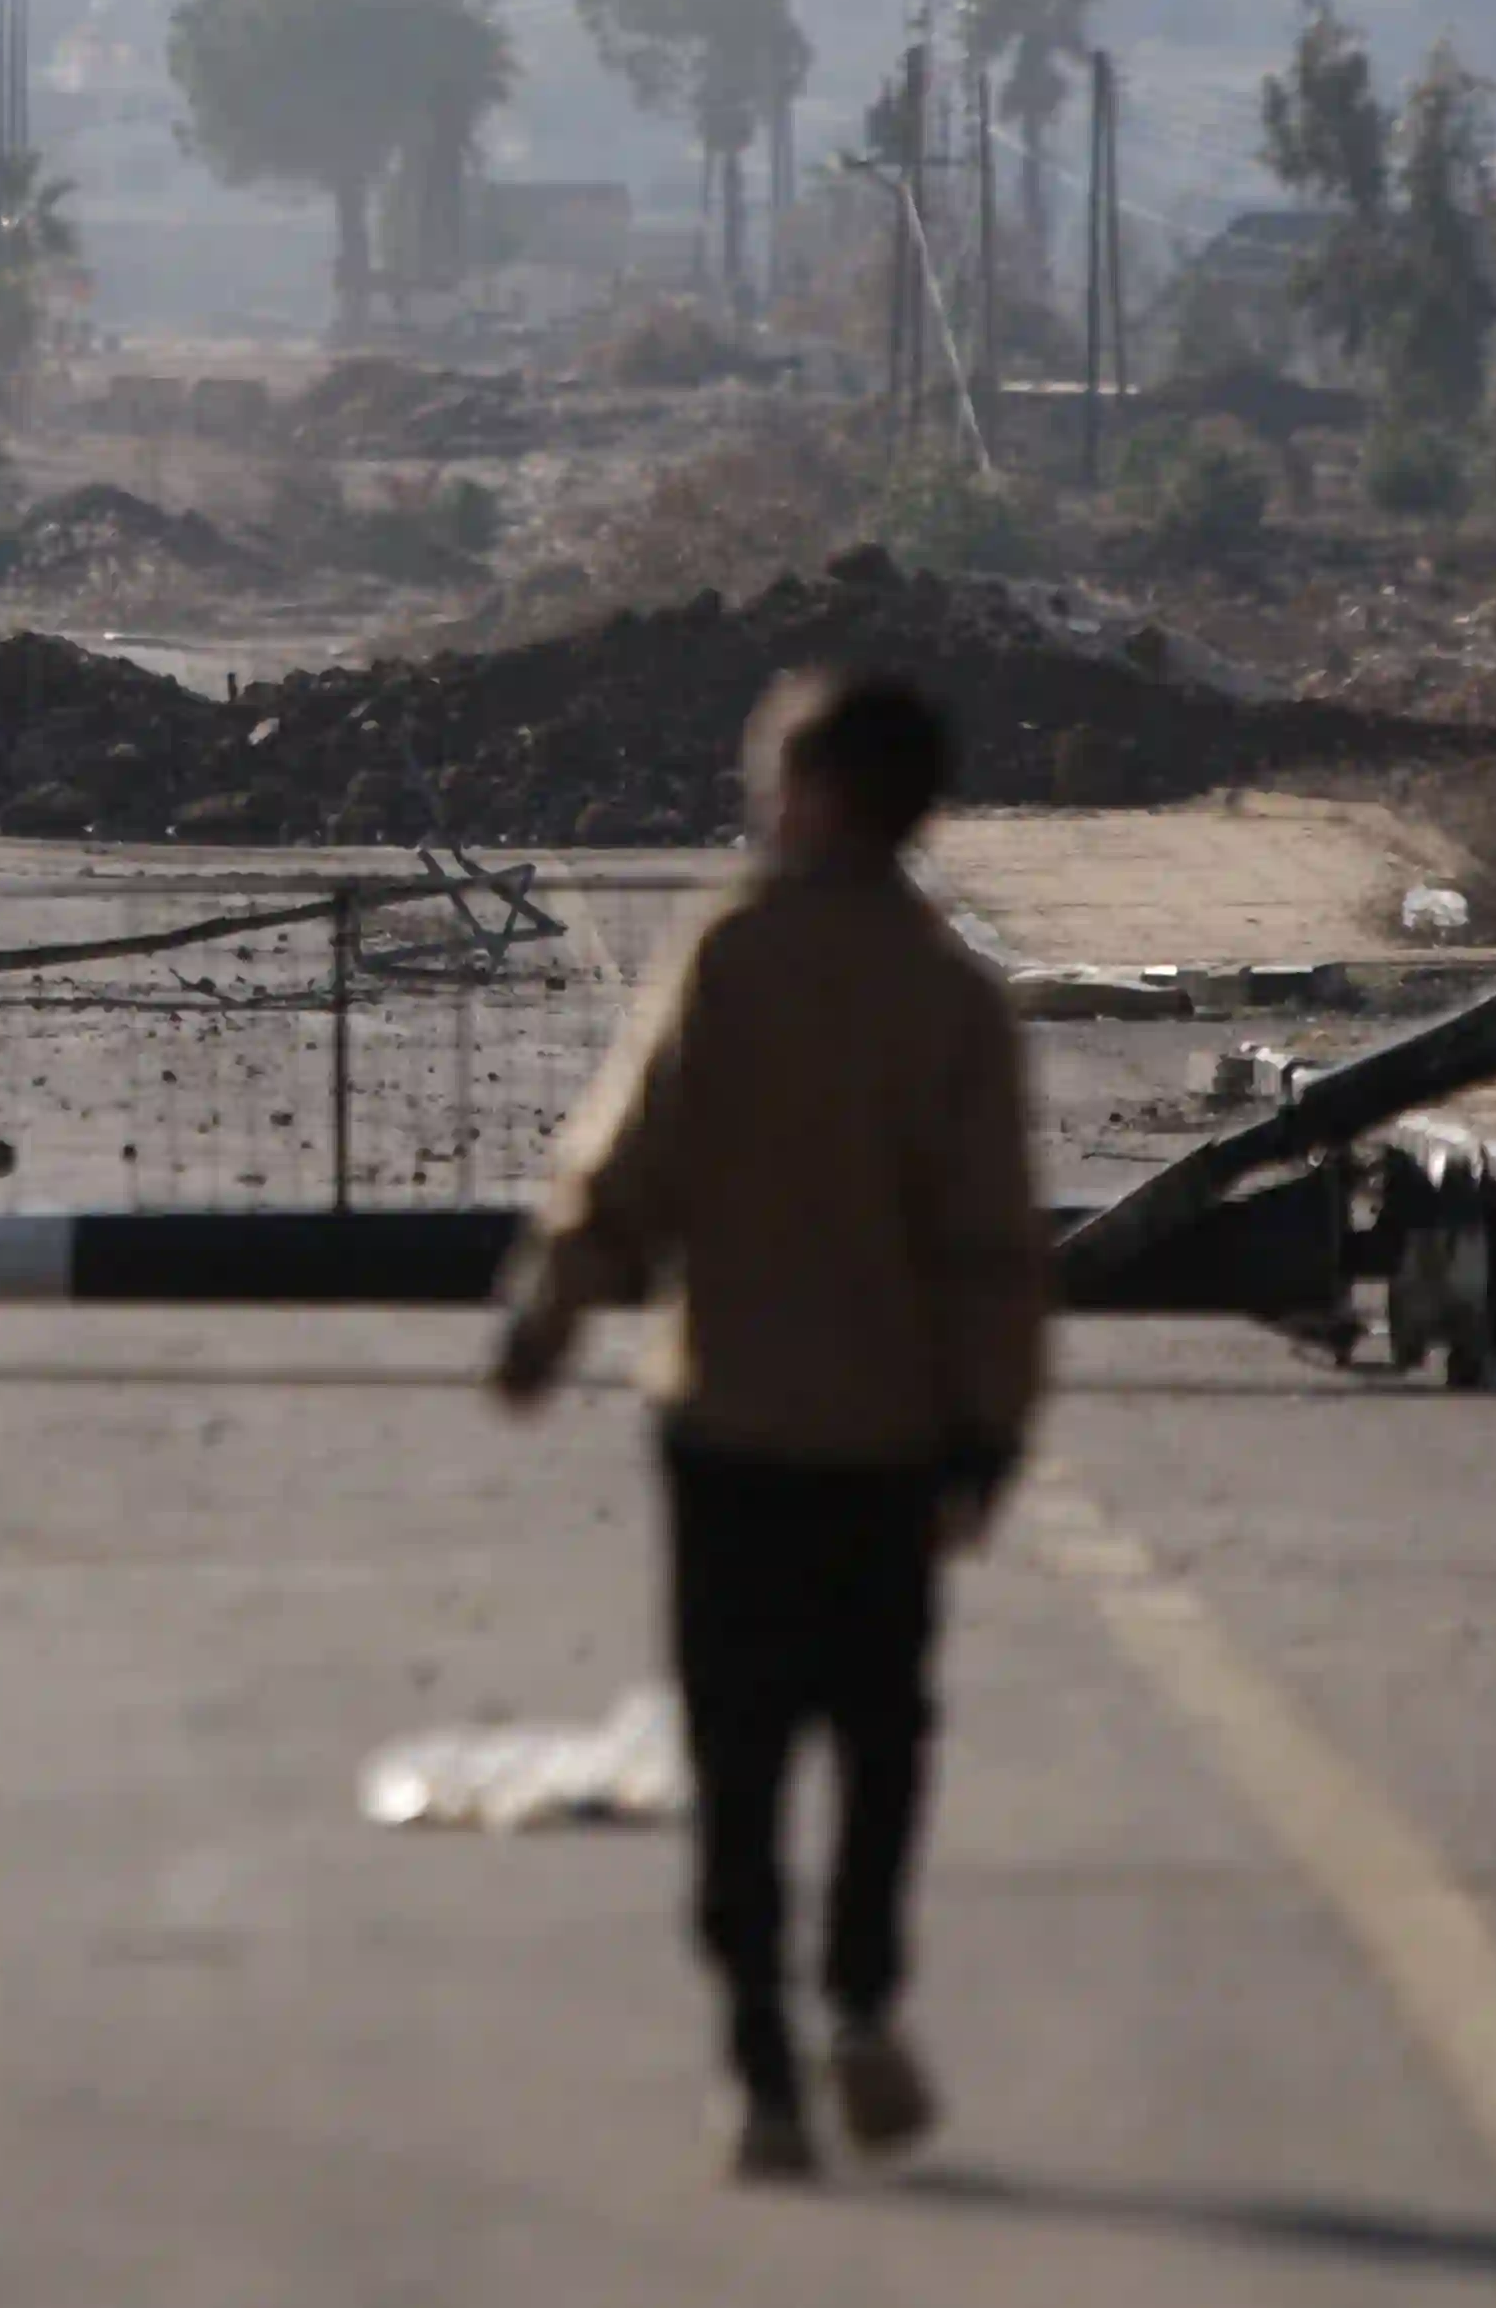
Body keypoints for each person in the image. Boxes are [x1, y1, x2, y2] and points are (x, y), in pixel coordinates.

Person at [495, 669, 1047, 2184]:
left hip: (729, 1422)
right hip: (888, 1439)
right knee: (879, 1738)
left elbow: (630, 1157)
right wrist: (990, 1434)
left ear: (810, 797)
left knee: (736, 1749)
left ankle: (756, 2064)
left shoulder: (730, 953)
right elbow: (994, 1244)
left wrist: (550, 1308)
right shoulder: (951, 998)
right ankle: (858, 2001)